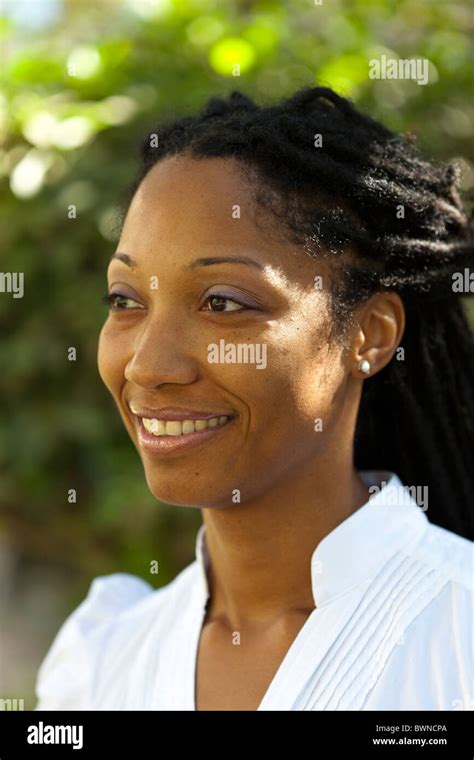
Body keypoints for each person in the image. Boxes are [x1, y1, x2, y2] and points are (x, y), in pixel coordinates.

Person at [35, 86, 473, 711]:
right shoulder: (100, 664)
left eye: (223, 303)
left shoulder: (458, 641)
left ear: (370, 336)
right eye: (125, 300)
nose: (149, 366)